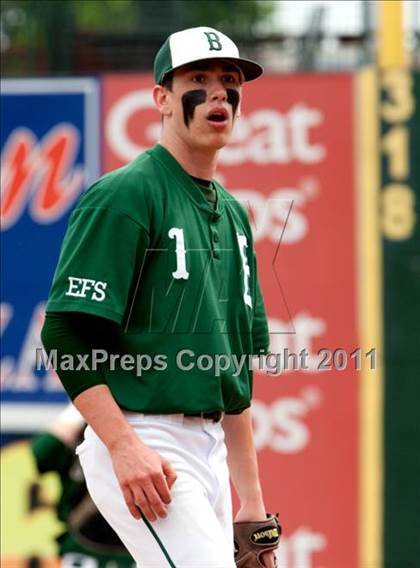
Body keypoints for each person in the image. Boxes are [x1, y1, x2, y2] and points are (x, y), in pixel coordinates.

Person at [41, 26, 277, 568]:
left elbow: (233, 374)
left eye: (230, 80)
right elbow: (64, 332)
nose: (219, 92)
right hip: (145, 435)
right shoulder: (127, 192)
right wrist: (123, 446)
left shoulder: (236, 215)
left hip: (209, 449)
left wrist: (253, 503)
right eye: (198, 78)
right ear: (162, 99)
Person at [31, 404, 134, 568]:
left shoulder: (149, 424)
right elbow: (42, 455)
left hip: (139, 548)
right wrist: (82, 404)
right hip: (83, 546)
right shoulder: (81, 429)